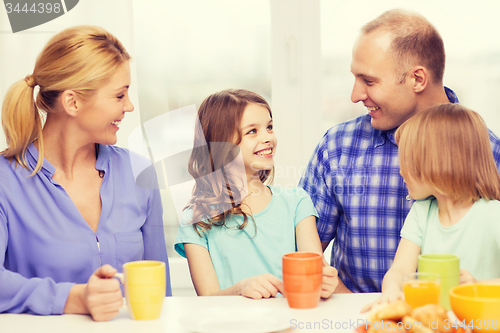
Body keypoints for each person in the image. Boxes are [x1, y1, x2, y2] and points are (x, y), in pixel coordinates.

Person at [299, 9, 500, 293]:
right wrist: (350, 306)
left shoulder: (489, 152)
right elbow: (300, 255)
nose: (355, 95)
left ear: (418, 79)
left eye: (369, 81)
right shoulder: (337, 147)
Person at [0, 26, 171, 321]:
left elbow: (160, 293)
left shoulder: (138, 172)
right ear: (72, 102)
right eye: (119, 95)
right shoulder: (6, 181)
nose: (129, 106)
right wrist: (73, 298)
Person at [174, 89, 338, 298]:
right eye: (253, 131)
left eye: (269, 127)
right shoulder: (196, 219)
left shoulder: (297, 203)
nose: (268, 137)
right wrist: (240, 290)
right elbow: (208, 299)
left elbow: (315, 270)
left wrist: (324, 280)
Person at [369, 103, 500, 308]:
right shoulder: (421, 212)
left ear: (435, 163)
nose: (401, 172)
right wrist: (392, 291)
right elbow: (400, 270)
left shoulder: (493, 215)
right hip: (433, 322)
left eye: (407, 161)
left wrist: (478, 285)